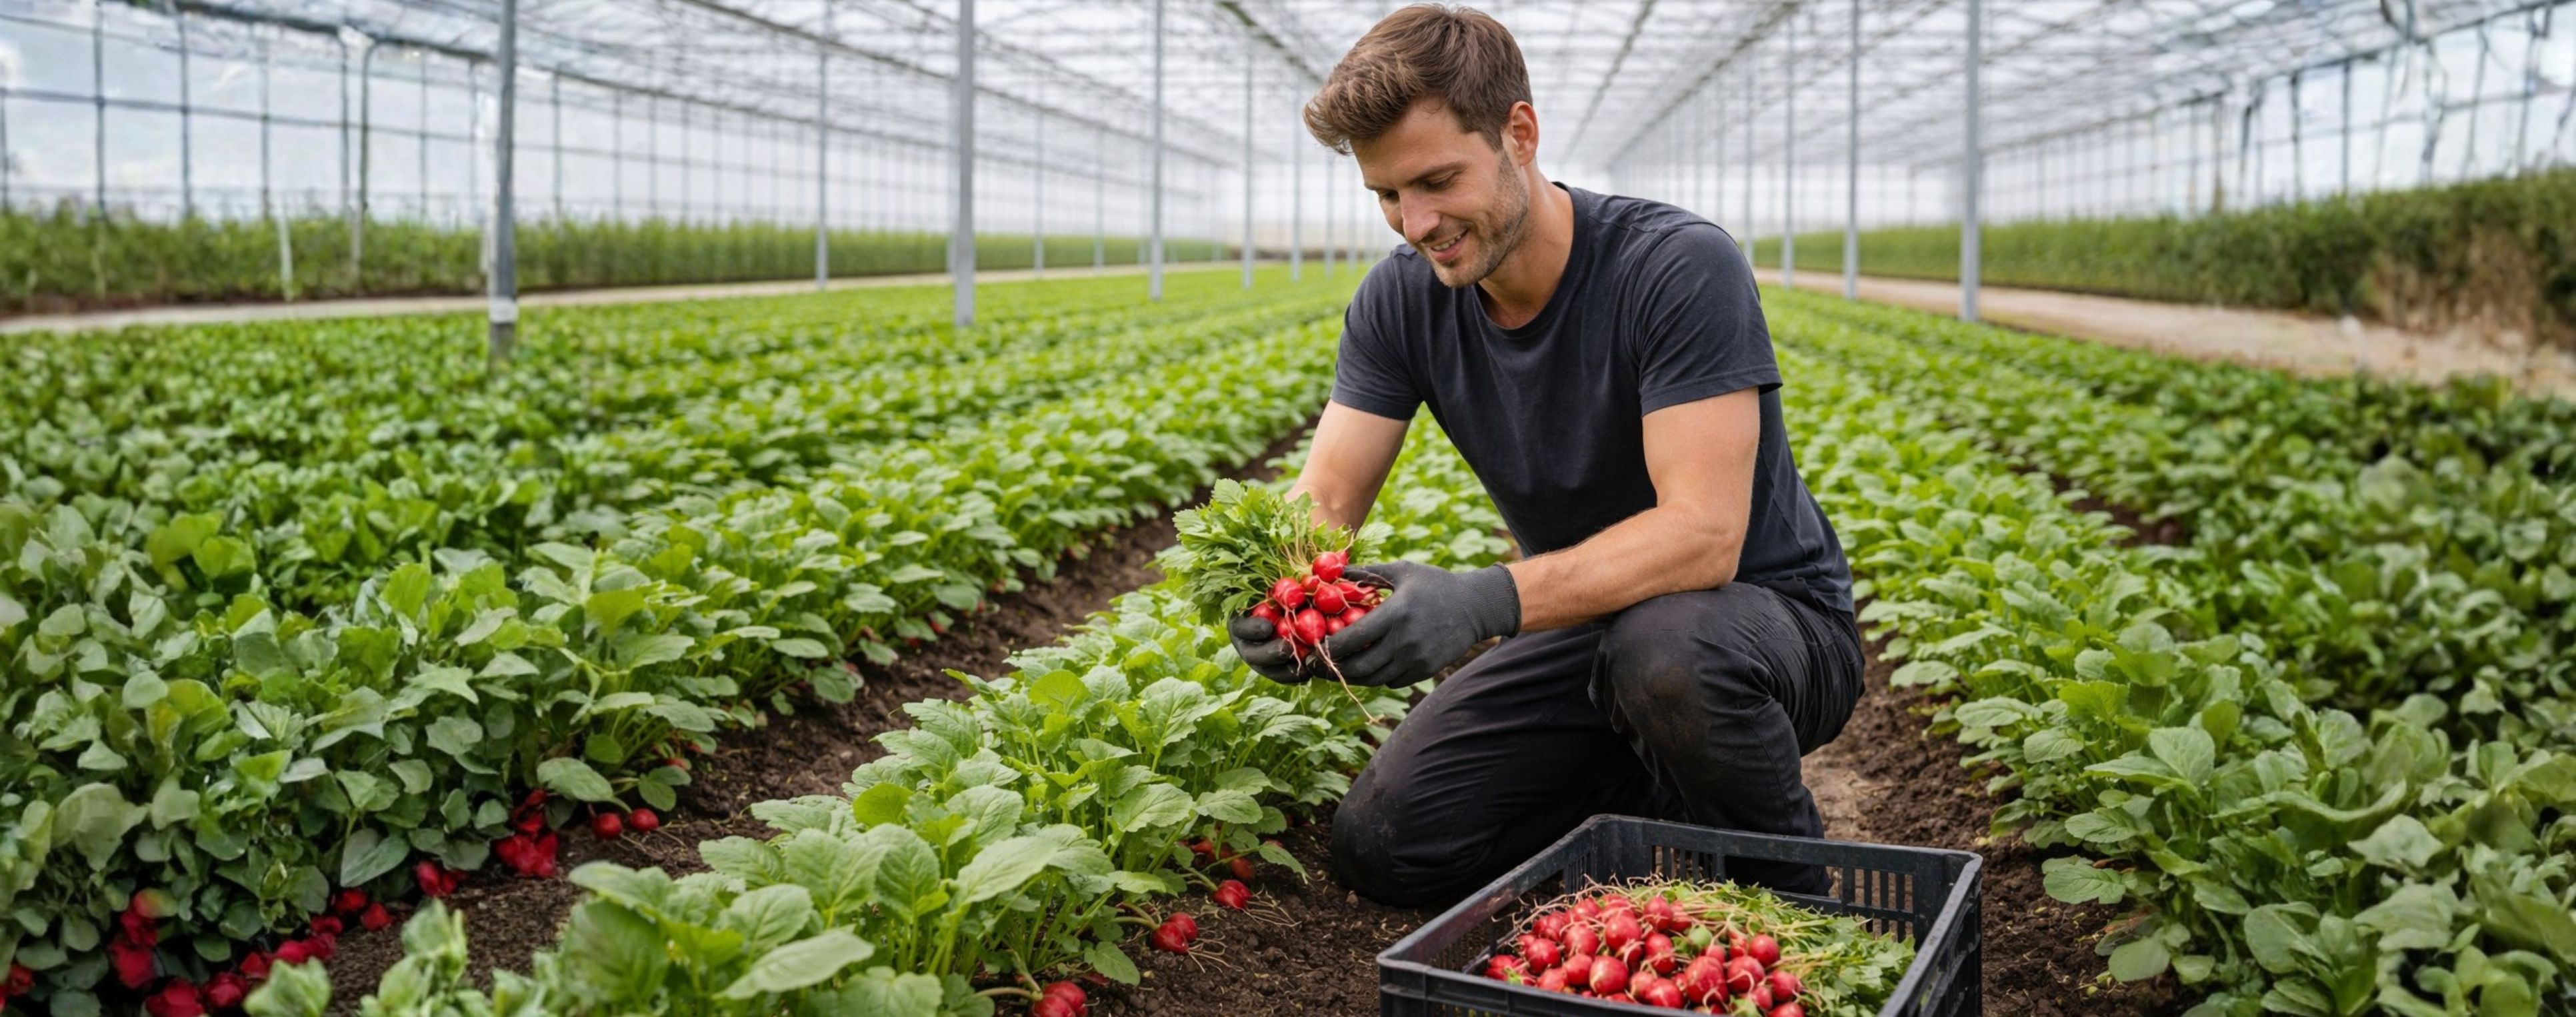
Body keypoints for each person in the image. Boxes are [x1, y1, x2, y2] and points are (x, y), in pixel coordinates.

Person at [1227, 3, 1863, 908]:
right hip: (1589, 628)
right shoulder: (1400, 303)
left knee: (1668, 655)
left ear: (1519, 133)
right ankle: (1654, 788)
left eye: (1438, 180)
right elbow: (1325, 492)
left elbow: (1703, 536)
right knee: (1385, 842)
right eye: (1387, 195)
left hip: (1763, 631)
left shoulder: (1675, 267)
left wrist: (1485, 599)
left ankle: (1800, 903)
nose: (1415, 221)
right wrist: (1272, 588)